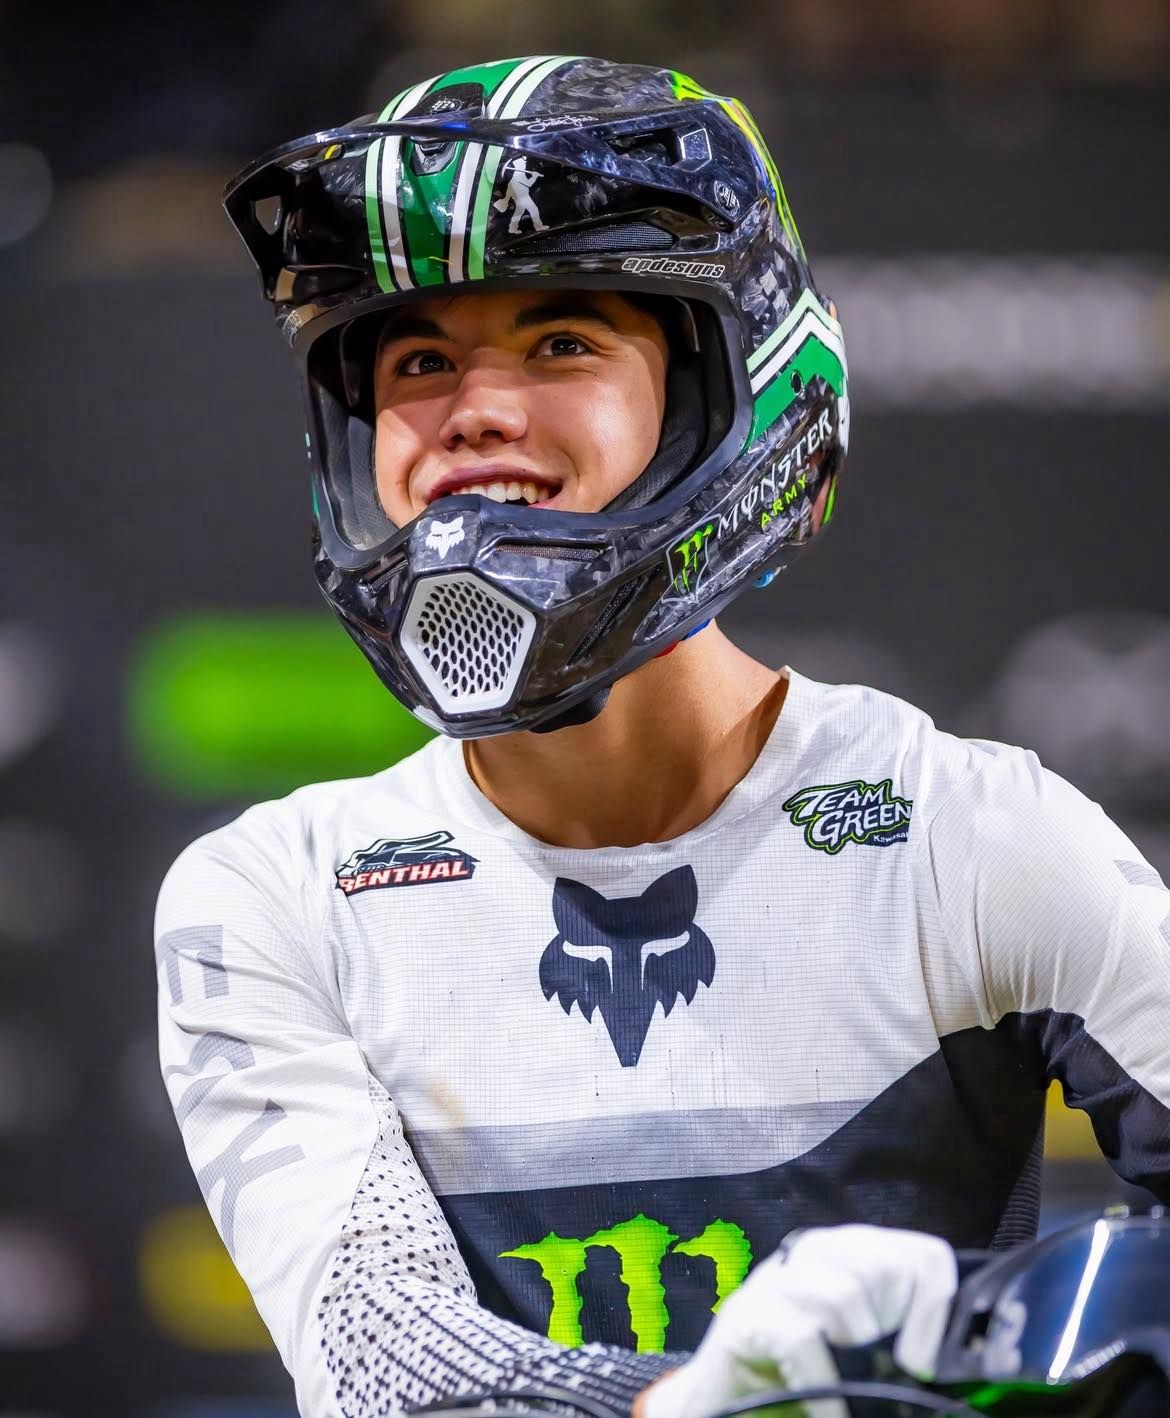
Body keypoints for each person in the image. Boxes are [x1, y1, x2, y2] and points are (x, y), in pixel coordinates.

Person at [155, 55, 1170, 1418]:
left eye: (562, 343)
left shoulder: (970, 838)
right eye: (418, 360)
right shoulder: (276, 896)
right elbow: (385, 1362)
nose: (476, 410)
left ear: (723, 395)